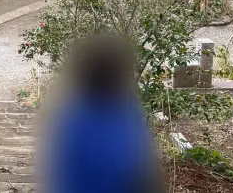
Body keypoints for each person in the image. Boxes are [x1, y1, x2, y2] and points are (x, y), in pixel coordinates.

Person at [39, 34, 163, 193]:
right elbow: (139, 166)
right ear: (121, 77)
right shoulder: (129, 115)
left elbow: (57, 172)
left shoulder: (68, 117)